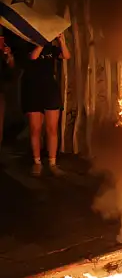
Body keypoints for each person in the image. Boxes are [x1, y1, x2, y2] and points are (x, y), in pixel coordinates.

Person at [22, 33, 71, 176]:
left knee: (52, 129)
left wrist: (61, 40)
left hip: (50, 90)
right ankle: (37, 163)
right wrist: (41, 43)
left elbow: (66, 56)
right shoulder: (28, 45)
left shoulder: (51, 48)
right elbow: (33, 57)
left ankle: (52, 163)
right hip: (33, 91)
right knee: (35, 129)